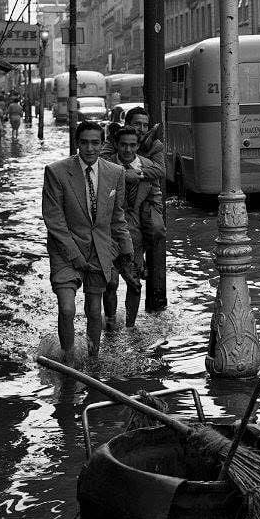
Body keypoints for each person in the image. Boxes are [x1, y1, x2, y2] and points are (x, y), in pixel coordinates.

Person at [41, 121, 136, 358]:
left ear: (103, 143)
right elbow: (55, 221)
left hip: (99, 249)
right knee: (66, 308)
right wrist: (75, 256)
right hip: (65, 249)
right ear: (77, 143)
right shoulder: (56, 172)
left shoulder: (115, 173)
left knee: (94, 310)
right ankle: (68, 358)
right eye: (85, 142)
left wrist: (127, 250)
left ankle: (93, 360)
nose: (90, 148)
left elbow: (117, 217)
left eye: (95, 143)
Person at [102, 125, 164, 327]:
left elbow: (156, 200)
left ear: (138, 146)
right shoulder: (105, 165)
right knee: (110, 283)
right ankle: (110, 322)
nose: (127, 150)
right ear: (117, 145)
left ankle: (130, 326)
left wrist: (153, 228)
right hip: (108, 234)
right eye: (123, 145)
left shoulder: (147, 167)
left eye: (132, 145)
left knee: (134, 284)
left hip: (136, 235)